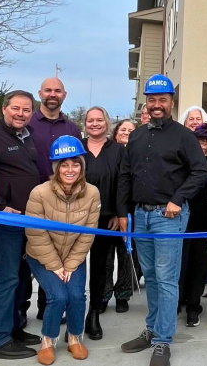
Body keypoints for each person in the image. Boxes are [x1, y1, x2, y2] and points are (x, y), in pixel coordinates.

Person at [117, 74, 207, 366]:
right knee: (152, 279)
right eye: (152, 100)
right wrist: (123, 213)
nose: (157, 105)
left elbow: (200, 172)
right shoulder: (137, 135)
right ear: (147, 102)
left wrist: (177, 199)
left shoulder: (184, 136)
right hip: (140, 216)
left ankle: (162, 341)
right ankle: (152, 328)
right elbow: (125, 175)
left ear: (171, 102)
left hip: (168, 217)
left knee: (167, 280)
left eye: (163, 100)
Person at [25, 136, 100, 365]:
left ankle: (75, 338)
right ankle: (47, 340)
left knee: (77, 295)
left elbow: (88, 233)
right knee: (58, 296)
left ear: (82, 166)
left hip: (73, 256)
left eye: (75, 164)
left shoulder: (92, 193)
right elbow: (36, 234)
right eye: (64, 165)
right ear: (56, 167)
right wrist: (56, 266)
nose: (70, 170)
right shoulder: (39, 193)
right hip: (42, 255)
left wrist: (70, 264)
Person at [0, 90, 41, 359]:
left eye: (26, 110)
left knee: (19, 277)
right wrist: (0, 205)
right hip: (4, 221)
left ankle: (14, 328)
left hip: (25, 220)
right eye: (15, 108)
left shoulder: (26, 137)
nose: (20, 114)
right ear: (4, 108)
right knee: (5, 278)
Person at [28, 77, 83, 321]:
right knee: (28, 263)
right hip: (30, 200)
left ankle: (49, 308)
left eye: (57, 91)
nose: (52, 94)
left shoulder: (71, 129)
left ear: (64, 95)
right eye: (48, 90)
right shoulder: (27, 123)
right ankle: (18, 318)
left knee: (57, 254)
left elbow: (76, 165)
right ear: (40, 93)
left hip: (61, 203)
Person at [82, 106, 127, 340]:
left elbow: (122, 183)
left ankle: (94, 315)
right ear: (85, 123)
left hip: (105, 218)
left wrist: (118, 214)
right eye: (91, 120)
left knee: (100, 268)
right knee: (75, 267)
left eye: (100, 120)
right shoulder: (77, 147)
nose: (95, 124)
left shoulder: (118, 150)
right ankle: (74, 311)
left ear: (107, 123)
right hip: (77, 220)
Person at [178, 123, 207, 327]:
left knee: (199, 265)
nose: (204, 144)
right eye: (200, 140)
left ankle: (193, 306)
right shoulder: (183, 162)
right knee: (180, 264)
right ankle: (178, 302)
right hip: (181, 220)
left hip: (205, 221)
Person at [102, 119, 139, 313]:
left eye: (131, 130)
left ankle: (123, 294)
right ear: (116, 133)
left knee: (126, 254)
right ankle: (104, 294)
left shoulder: (139, 153)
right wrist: (116, 212)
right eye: (123, 129)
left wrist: (125, 211)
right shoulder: (109, 152)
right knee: (106, 257)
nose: (126, 132)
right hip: (109, 212)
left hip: (131, 210)